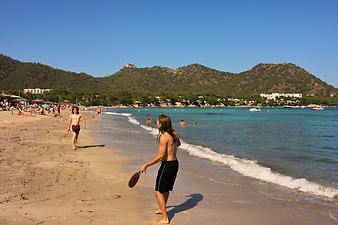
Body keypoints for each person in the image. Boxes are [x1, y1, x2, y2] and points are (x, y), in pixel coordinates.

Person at [139, 114, 181, 224]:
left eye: (157, 122)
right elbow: (179, 144)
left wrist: (146, 165)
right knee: (165, 189)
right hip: (175, 164)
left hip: (166, 165)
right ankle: (162, 209)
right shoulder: (175, 134)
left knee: (158, 191)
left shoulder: (164, 137)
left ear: (161, 124)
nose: (156, 123)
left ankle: (165, 218)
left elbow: (160, 157)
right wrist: (171, 148)